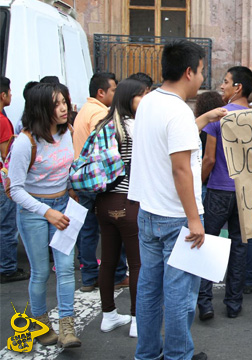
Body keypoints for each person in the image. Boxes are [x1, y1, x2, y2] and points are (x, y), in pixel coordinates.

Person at [128, 40, 227, 360]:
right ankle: (177, 355)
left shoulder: (148, 103)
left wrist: (204, 117)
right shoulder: (179, 113)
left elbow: (168, 140)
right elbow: (182, 169)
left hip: (148, 213)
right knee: (180, 294)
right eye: (201, 71)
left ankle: (147, 354)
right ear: (188, 72)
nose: (202, 78)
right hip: (176, 219)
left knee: (148, 289)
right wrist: (195, 220)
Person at [7, 83, 80, 348]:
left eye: (64, 101)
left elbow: (68, 167)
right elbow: (14, 189)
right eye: (57, 104)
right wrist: (46, 211)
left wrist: (72, 190)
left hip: (63, 205)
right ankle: (40, 324)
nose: (64, 108)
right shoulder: (25, 142)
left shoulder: (67, 132)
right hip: (33, 211)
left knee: (66, 269)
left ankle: (67, 327)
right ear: (41, 109)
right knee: (40, 272)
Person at [197, 66, 252, 320]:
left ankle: (205, 302)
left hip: (219, 190)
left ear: (238, 88)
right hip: (245, 192)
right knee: (239, 246)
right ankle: (234, 303)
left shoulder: (218, 117)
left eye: (225, 82)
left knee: (208, 244)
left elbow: (209, 159)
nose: (221, 86)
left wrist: (197, 185)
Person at [94, 79, 148, 338]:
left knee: (108, 261)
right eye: (141, 96)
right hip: (129, 202)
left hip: (104, 203)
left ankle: (108, 315)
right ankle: (138, 320)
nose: (145, 101)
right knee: (137, 264)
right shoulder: (135, 127)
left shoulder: (103, 125)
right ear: (130, 99)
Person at [73, 72, 128, 293]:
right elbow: (106, 151)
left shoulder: (85, 110)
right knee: (112, 229)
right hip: (97, 181)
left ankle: (88, 277)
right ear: (101, 92)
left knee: (87, 231)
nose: (116, 94)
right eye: (114, 89)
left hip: (83, 179)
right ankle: (115, 275)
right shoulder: (100, 114)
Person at [0, 76, 30, 284]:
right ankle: (7, 268)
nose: (11, 95)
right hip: (2, 181)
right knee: (7, 226)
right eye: (9, 92)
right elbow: (6, 154)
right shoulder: (3, 121)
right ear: (3, 95)